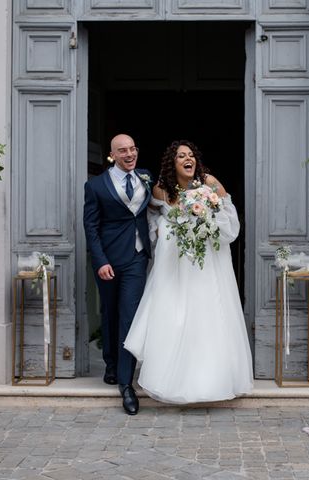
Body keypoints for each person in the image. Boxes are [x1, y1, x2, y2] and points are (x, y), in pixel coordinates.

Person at [124, 140, 254, 404]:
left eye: (191, 154)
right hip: (176, 266)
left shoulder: (209, 182)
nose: (188, 158)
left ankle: (213, 379)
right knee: (175, 315)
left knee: (208, 314)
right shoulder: (161, 189)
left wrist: (209, 218)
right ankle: (171, 378)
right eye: (182, 155)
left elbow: (230, 220)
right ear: (173, 162)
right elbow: (150, 214)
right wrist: (161, 227)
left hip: (208, 262)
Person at [83, 134, 152, 415]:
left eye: (133, 148)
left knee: (128, 315)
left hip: (137, 257)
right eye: (123, 150)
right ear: (112, 154)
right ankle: (111, 363)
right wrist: (99, 261)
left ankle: (126, 384)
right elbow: (91, 226)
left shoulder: (146, 177)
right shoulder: (96, 185)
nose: (130, 154)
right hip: (109, 260)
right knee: (110, 313)